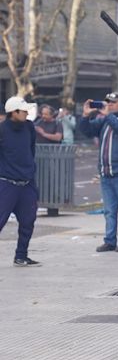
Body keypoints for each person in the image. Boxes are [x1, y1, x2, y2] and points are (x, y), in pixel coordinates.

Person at [80, 92, 118, 253]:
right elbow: (86, 131)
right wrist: (85, 116)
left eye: (113, 102)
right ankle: (110, 241)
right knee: (109, 211)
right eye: (107, 102)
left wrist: (108, 116)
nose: (109, 105)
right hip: (107, 174)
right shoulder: (104, 122)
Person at [0, 96, 41, 266]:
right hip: (6, 183)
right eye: (23, 111)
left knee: (28, 220)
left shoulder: (29, 127)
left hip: (27, 183)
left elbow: (31, 149)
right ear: (13, 112)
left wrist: (29, 171)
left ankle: (21, 255)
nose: (26, 114)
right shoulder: (2, 130)